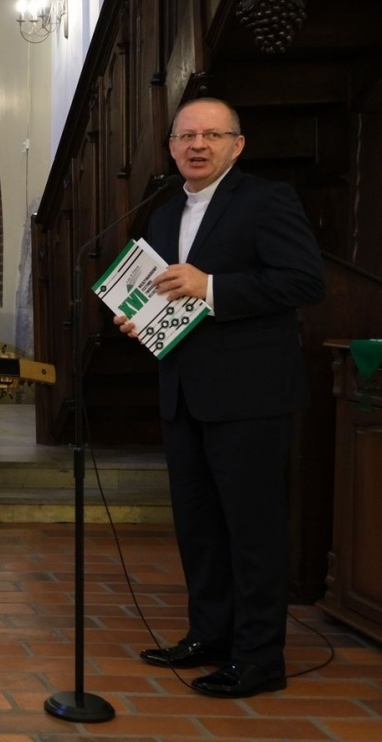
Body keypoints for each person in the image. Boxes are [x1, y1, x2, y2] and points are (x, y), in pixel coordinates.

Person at [115, 97, 324, 699]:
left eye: (211, 134)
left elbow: (303, 281)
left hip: (251, 395)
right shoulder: (162, 215)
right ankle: (210, 635)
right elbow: (164, 295)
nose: (197, 145)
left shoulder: (266, 200)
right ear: (171, 147)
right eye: (185, 136)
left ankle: (259, 658)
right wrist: (139, 318)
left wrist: (211, 286)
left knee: (252, 531)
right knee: (199, 527)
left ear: (238, 144)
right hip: (184, 391)